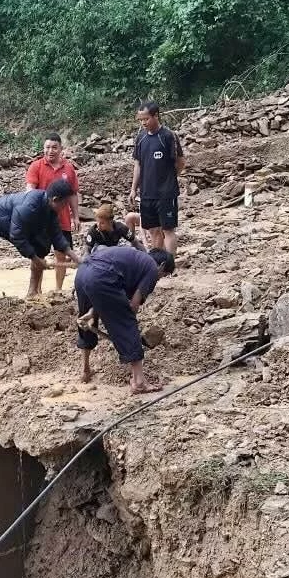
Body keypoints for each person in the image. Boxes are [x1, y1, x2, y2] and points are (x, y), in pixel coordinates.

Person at [0, 178, 83, 310]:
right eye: (65, 204)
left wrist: (76, 258)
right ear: (55, 199)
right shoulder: (28, 207)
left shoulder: (50, 209)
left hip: (11, 223)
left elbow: (57, 236)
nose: (66, 208)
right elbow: (17, 236)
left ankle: (32, 293)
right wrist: (36, 260)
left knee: (42, 248)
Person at [75, 246, 175, 395]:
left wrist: (93, 311)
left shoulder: (134, 262)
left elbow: (109, 295)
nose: (159, 279)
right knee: (127, 323)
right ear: (161, 265)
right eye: (164, 275)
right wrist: (129, 336)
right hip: (101, 276)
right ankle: (139, 382)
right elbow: (133, 306)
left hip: (83, 272)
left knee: (86, 322)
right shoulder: (152, 268)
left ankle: (85, 370)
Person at [25, 133, 80, 294]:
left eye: (54, 147)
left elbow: (73, 194)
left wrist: (76, 216)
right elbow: (30, 190)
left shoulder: (68, 168)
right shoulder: (36, 166)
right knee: (38, 255)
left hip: (63, 219)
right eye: (47, 147)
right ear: (43, 148)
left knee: (61, 254)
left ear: (61, 149)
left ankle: (58, 290)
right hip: (41, 220)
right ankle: (37, 290)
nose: (50, 151)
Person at [129, 100, 186, 254]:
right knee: (153, 229)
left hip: (166, 193)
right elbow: (137, 164)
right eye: (140, 120)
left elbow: (180, 162)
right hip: (147, 193)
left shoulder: (168, 136)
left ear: (156, 116)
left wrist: (170, 177)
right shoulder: (140, 138)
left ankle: (170, 263)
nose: (143, 123)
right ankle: (158, 261)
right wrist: (133, 189)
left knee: (168, 229)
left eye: (146, 119)